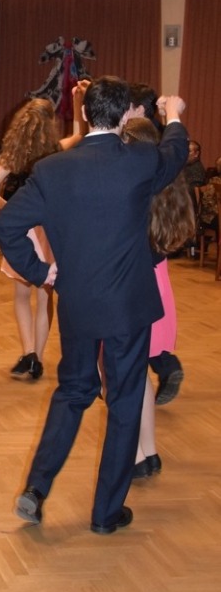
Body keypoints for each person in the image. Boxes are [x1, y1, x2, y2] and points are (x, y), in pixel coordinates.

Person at [0, 76, 188, 535]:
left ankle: (37, 488)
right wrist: (174, 114)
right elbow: (177, 151)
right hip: (128, 308)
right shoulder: (140, 160)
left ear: (83, 113)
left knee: (73, 392)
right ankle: (106, 513)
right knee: (124, 401)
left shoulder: (52, 169)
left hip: (77, 303)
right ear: (124, 116)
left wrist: (40, 273)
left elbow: (6, 226)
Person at [0, 94, 83, 381]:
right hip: (49, 230)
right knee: (44, 296)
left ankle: (29, 354)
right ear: (50, 124)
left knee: (21, 296)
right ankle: (38, 356)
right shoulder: (56, 153)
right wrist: (77, 101)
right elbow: (78, 135)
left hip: (22, 231)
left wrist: (10, 209)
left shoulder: (15, 156)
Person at [121, 116, 195, 478]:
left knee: (125, 379)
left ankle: (135, 455)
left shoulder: (138, 188)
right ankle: (148, 452)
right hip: (158, 290)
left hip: (133, 291)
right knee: (139, 377)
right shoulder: (165, 187)